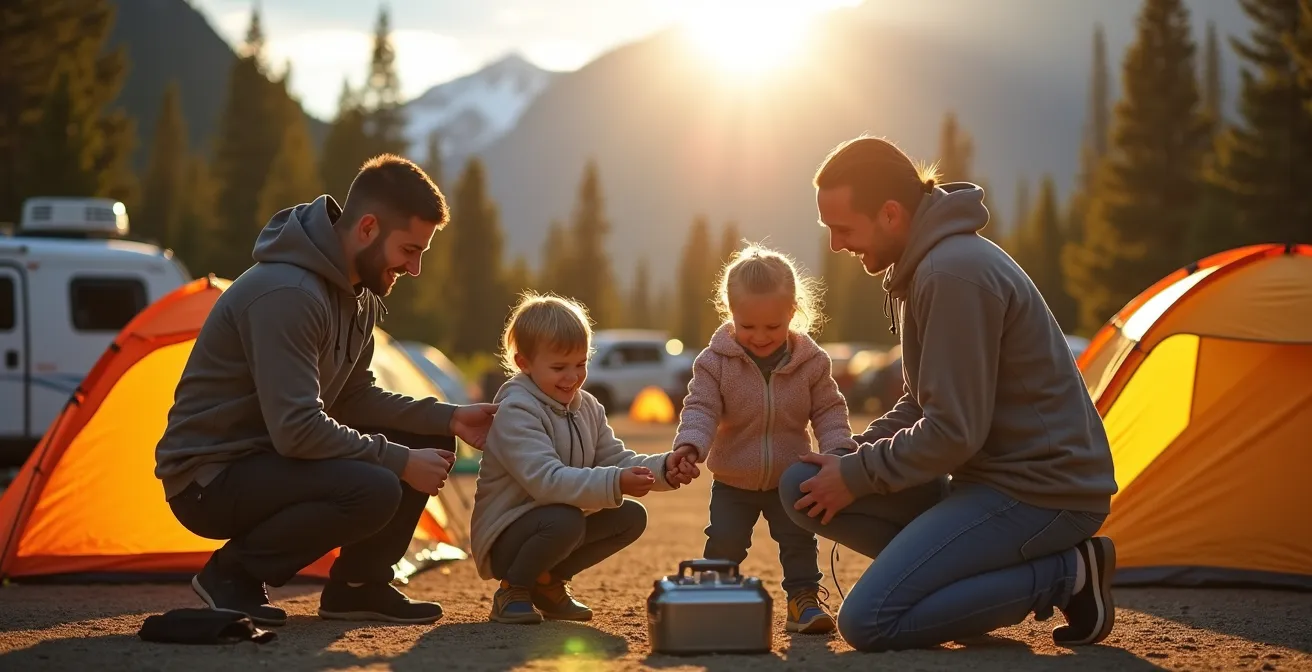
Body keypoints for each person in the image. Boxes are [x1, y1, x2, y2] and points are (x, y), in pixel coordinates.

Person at [778, 135, 1119, 652]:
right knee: (804, 486)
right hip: (986, 482)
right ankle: (950, 580)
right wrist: (851, 457)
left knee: (870, 622)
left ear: (891, 214)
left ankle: (1066, 573)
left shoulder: (951, 272)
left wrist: (859, 475)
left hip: (1044, 492)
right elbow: (921, 402)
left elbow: (954, 432)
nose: (836, 245)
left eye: (842, 229)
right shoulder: (924, 266)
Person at [154, 154, 498, 627]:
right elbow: (296, 430)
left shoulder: (360, 298)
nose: (415, 268)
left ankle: (359, 588)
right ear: (369, 228)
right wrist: (398, 461)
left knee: (429, 440)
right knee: (376, 486)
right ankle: (231, 577)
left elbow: (353, 398)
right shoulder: (288, 293)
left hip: (272, 457)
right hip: (211, 477)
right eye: (410, 250)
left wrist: (450, 418)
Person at [470, 292, 699, 625]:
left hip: (554, 524)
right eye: (559, 367)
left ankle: (547, 584)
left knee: (630, 516)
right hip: (509, 537)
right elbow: (546, 481)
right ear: (524, 364)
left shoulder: (587, 407)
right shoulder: (516, 411)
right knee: (566, 520)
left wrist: (664, 469)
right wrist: (615, 481)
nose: (572, 377)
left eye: (581, 364)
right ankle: (513, 588)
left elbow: (615, 458)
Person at [672, 243, 857, 635]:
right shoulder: (714, 362)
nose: (759, 337)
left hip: (791, 479)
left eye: (772, 327)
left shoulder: (812, 362)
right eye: (747, 326)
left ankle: (802, 600)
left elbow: (828, 410)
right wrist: (690, 445)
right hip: (733, 479)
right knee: (724, 541)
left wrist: (839, 451)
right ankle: (715, 599)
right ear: (730, 313)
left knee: (799, 540)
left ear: (792, 312)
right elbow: (701, 408)